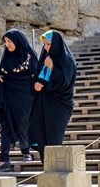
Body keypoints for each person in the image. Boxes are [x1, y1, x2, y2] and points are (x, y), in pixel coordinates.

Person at [0, 29, 39, 173]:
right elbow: (1, 73)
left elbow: (35, 76)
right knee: (4, 126)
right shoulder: (6, 57)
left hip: (24, 98)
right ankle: (3, 160)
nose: (7, 45)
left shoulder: (29, 56)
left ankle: (26, 151)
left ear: (17, 41)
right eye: (5, 42)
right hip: (7, 96)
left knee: (22, 123)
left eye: (9, 41)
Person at [28, 30, 77, 163]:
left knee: (54, 139)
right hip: (43, 105)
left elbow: (64, 83)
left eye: (48, 44)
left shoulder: (68, 62)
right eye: (44, 44)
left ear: (56, 44)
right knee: (42, 139)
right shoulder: (45, 58)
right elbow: (38, 79)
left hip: (59, 106)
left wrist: (51, 68)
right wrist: (36, 86)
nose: (45, 47)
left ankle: (55, 169)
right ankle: (47, 169)